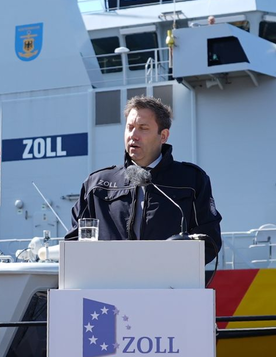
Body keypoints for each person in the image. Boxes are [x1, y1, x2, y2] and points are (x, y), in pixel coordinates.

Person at [67, 96, 222, 263]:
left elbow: (209, 240)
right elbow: (74, 242)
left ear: (163, 136)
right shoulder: (96, 184)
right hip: (109, 277)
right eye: (130, 127)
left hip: (169, 277)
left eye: (143, 128)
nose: (133, 135)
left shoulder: (192, 180)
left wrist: (171, 262)